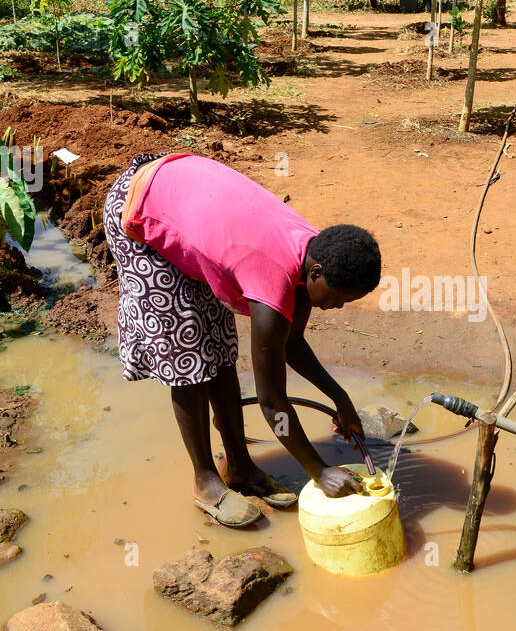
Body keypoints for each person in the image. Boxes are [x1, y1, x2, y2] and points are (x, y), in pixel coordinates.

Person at [102, 151, 381, 528]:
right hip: (143, 209)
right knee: (189, 360)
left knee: (218, 349)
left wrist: (341, 399)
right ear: (316, 272)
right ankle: (205, 482)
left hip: (190, 202)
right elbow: (271, 404)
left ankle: (241, 468)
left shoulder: (314, 251)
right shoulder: (273, 278)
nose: (337, 307)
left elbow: (290, 342)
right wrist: (318, 471)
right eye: (336, 298)